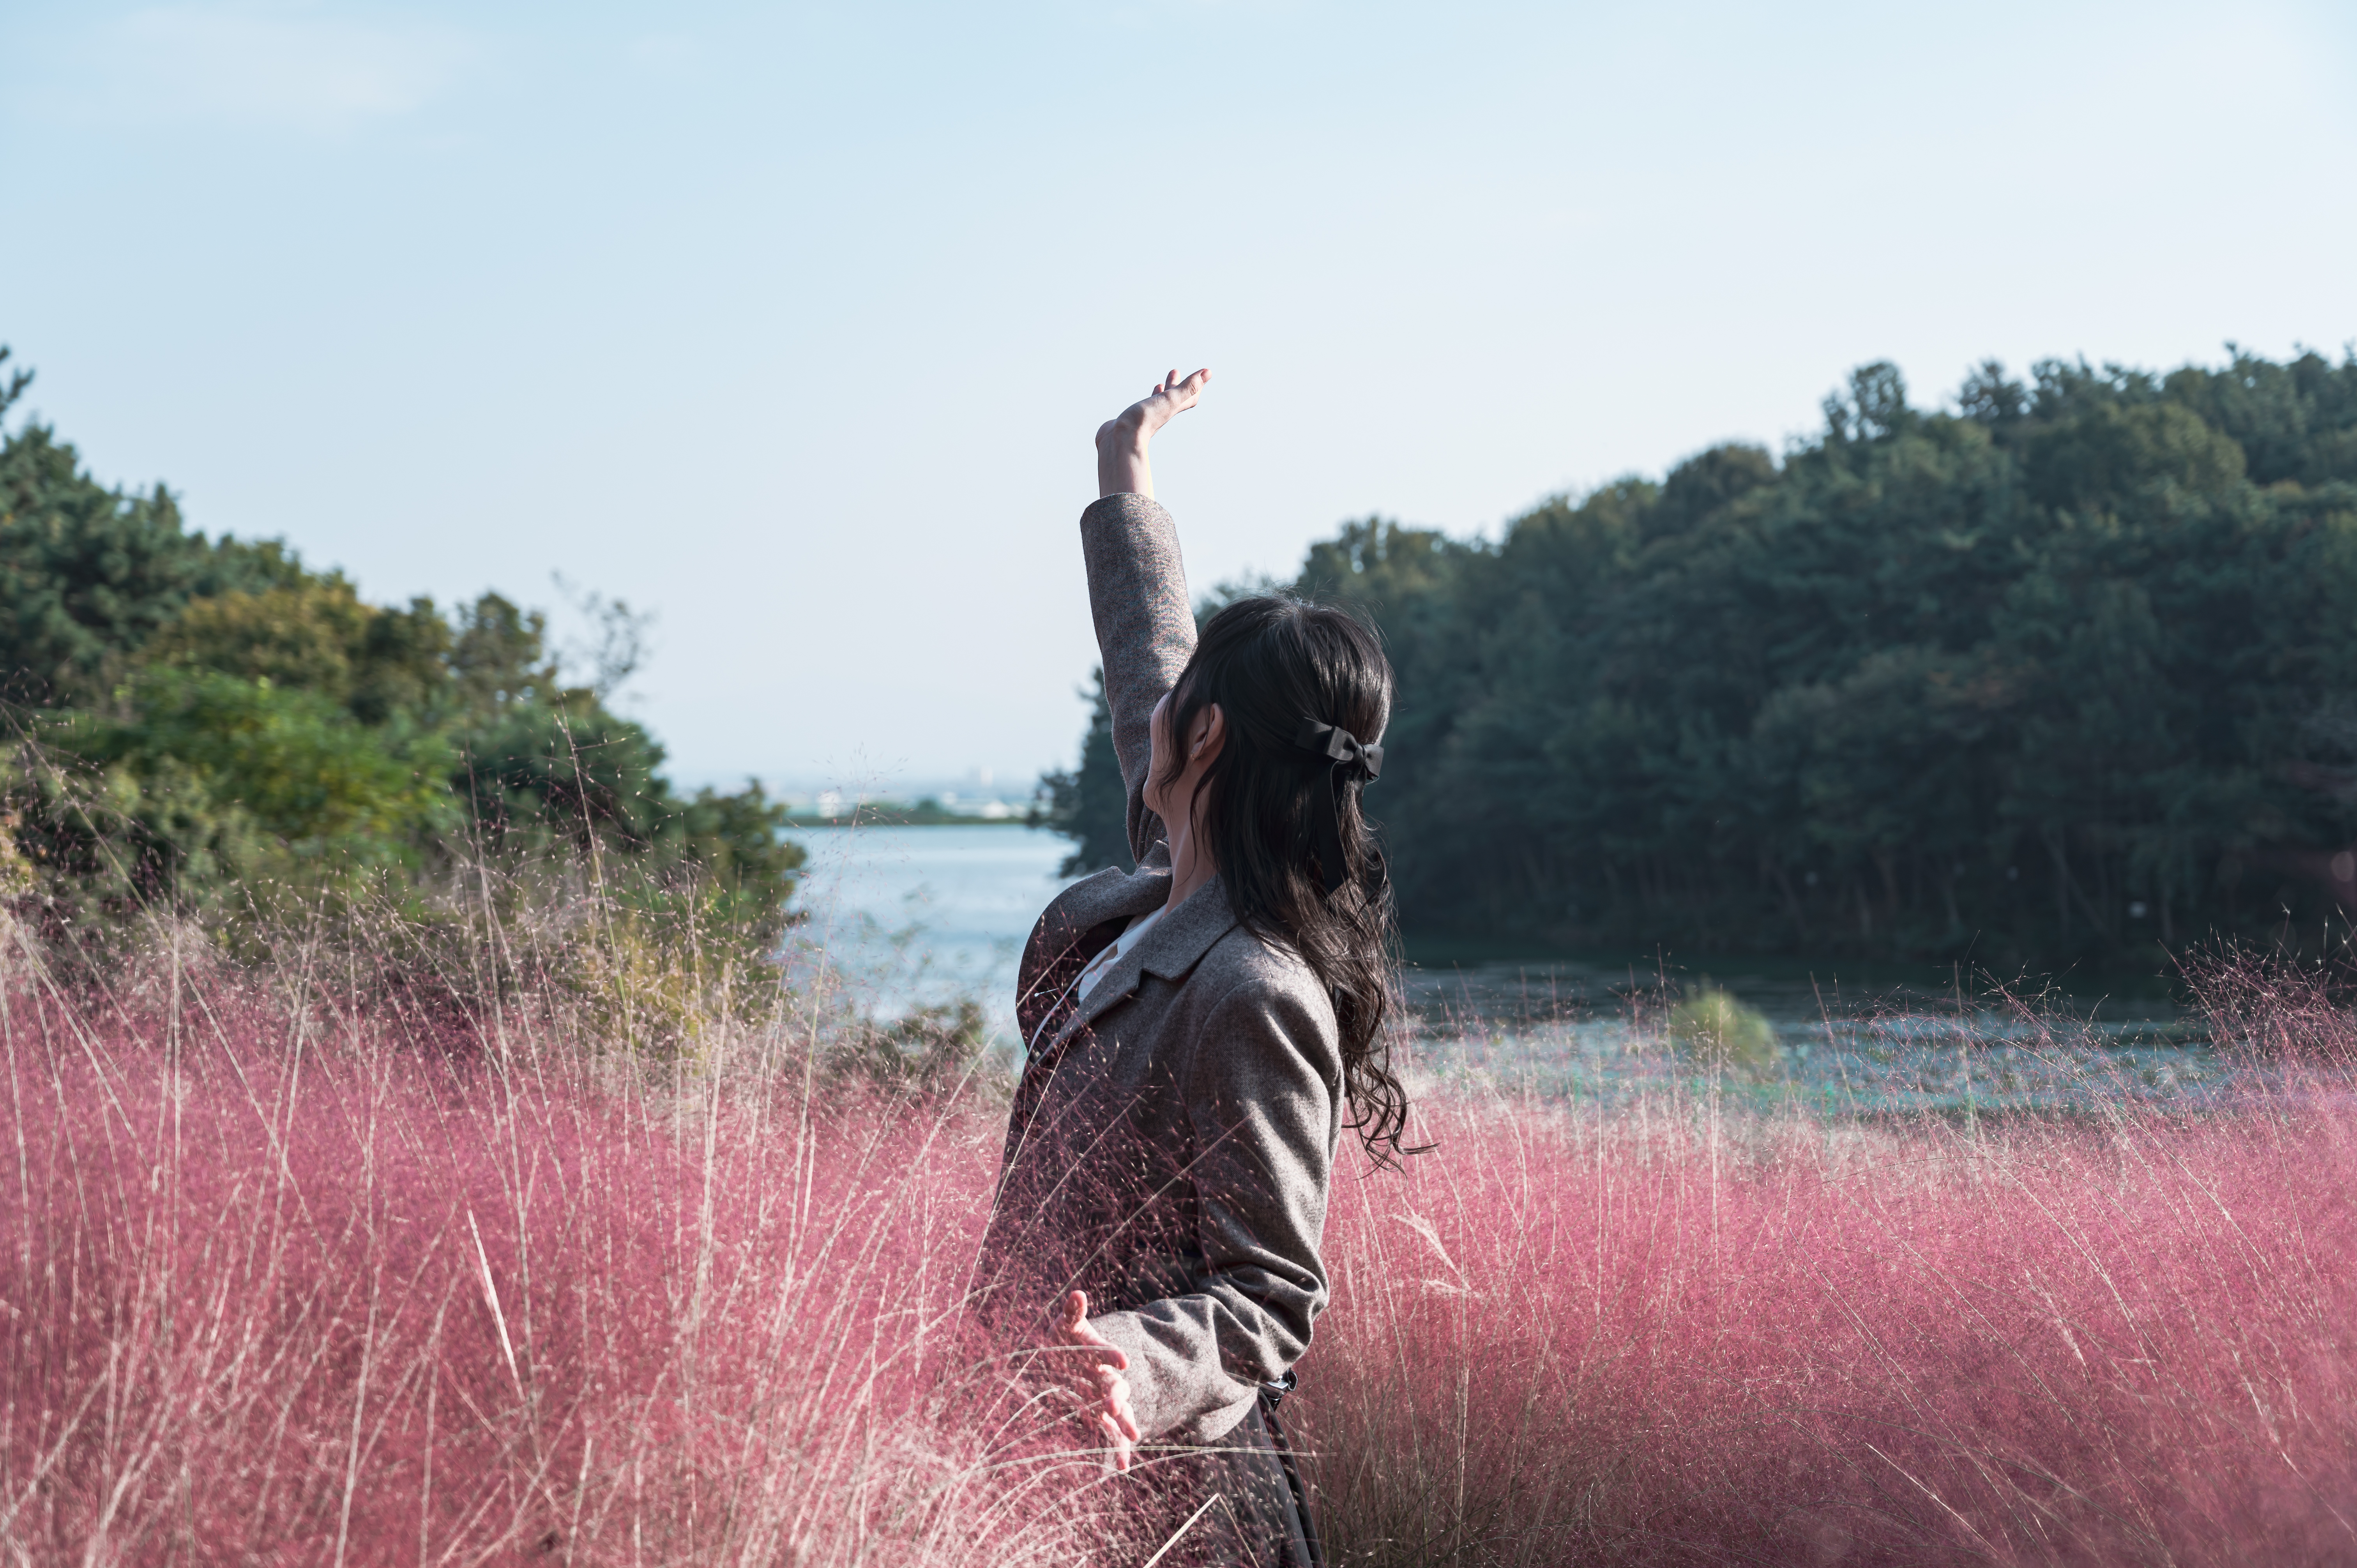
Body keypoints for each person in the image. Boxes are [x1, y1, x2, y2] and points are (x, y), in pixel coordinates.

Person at [974, 368, 1411, 1566]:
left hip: (1178, 1511)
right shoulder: (1170, 889)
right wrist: (1126, 474)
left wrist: (1133, 1359)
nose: (1156, 715)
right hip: (1049, 1473)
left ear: (1208, 736)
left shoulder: (1251, 988)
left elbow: (1273, 1296)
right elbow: (1145, 664)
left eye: (1186, 705)